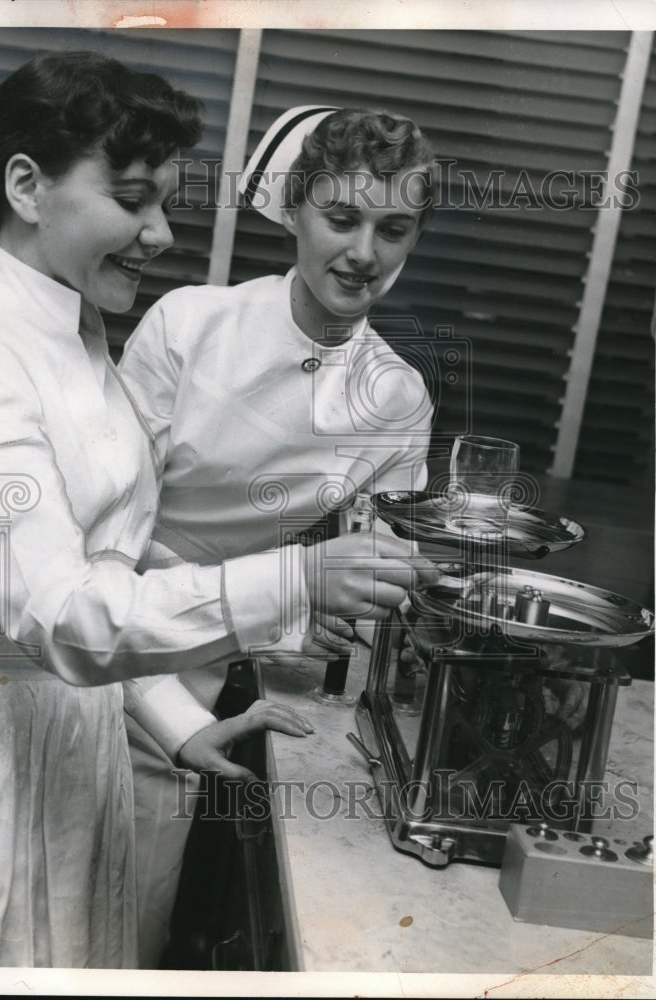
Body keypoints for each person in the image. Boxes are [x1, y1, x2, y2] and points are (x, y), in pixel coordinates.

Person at [0, 60, 427, 970]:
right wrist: (299, 579)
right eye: (131, 200)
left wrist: (176, 723)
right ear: (25, 185)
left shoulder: (74, 339)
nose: (160, 232)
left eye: (394, 228)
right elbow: (60, 614)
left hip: (75, 730)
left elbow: (95, 587)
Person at [119, 105, 438, 966]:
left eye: (392, 228)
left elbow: (377, 570)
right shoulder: (190, 324)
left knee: (130, 938)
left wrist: (314, 617)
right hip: (95, 636)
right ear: (294, 209)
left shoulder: (397, 397)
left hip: (208, 680)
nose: (364, 253)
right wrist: (285, 601)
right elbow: (95, 534)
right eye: (340, 219)